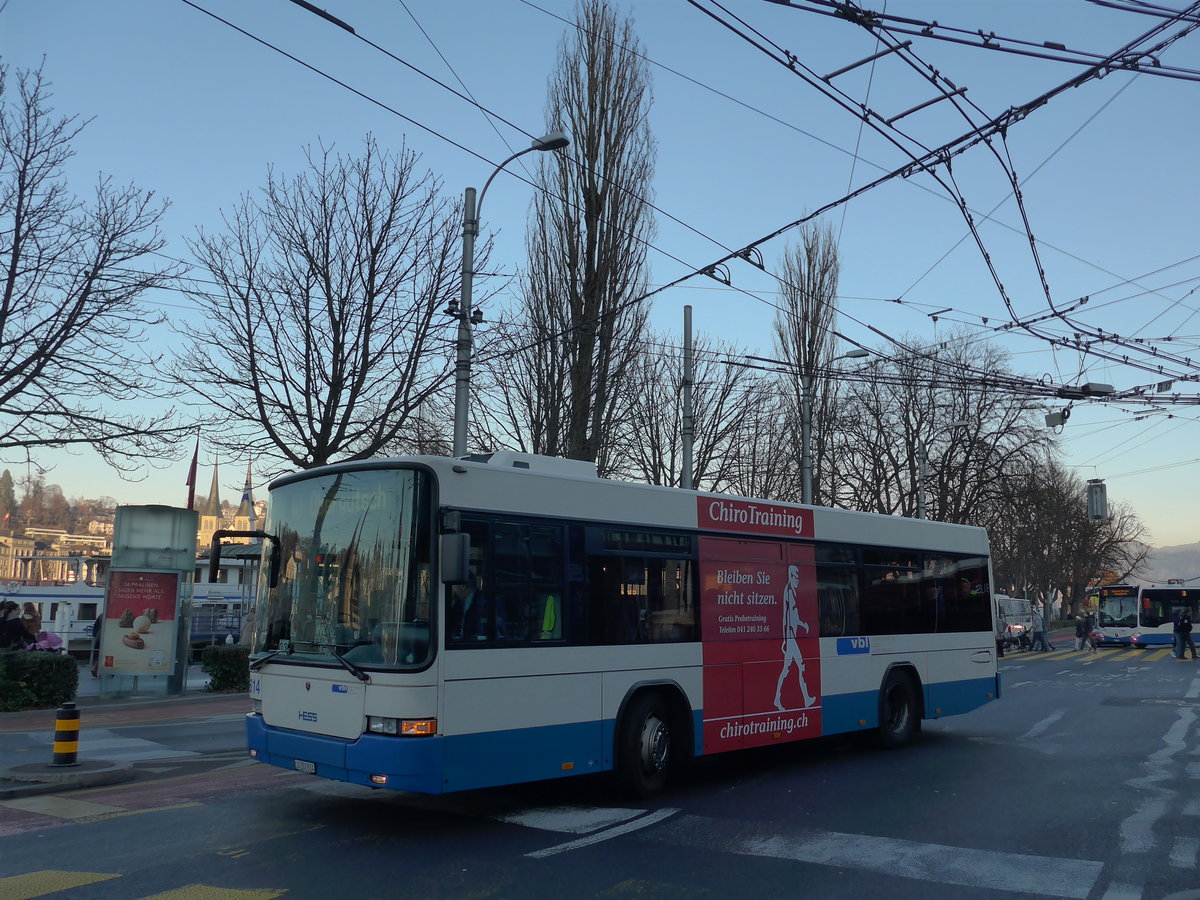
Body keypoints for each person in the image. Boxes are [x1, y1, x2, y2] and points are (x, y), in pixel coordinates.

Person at [774, 565, 817, 711]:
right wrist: (785, 639)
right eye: (796, 578)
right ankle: (802, 698)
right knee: (799, 667)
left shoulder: (792, 591)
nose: (798, 581)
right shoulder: (788, 592)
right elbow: (785, 617)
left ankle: (803, 698)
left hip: (792, 637)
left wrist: (802, 624)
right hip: (791, 638)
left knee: (792, 669)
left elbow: (793, 615)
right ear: (791, 577)